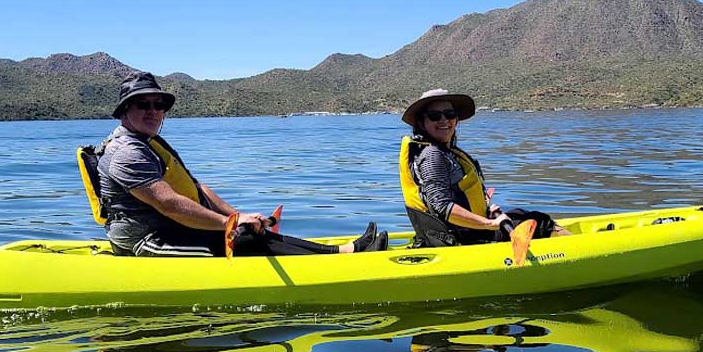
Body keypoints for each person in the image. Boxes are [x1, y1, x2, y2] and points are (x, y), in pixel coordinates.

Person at [98, 71, 387, 257]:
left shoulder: (147, 145)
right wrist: (227, 225)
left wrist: (238, 217)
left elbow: (197, 188)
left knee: (248, 233)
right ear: (125, 111)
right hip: (146, 242)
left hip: (172, 229)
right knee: (243, 242)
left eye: (158, 105)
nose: (153, 112)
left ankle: (342, 251)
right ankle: (338, 259)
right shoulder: (127, 152)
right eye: (142, 105)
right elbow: (169, 203)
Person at [398, 89, 564, 247]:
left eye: (450, 114)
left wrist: (485, 211)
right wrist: (489, 223)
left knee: (520, 214)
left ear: (456, 119)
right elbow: (441, 207)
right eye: (434, 116)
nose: (444, 120)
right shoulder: (432, 156)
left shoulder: (446, 153)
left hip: (467, 231)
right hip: (461, 238)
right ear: (422, 122)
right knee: (541, 222)